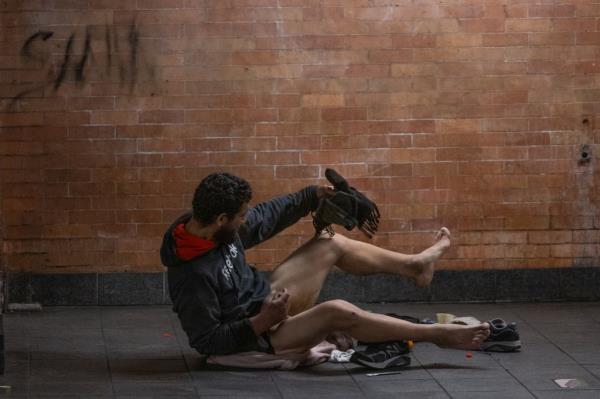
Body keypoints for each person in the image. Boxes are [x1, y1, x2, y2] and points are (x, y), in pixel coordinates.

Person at [160, 172, 490, 366]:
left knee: (328, 239)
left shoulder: (212, 229)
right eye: (240, 216)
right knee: (336, 311)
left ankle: (416, 265)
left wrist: (313, 196)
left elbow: (265, 217)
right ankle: (440, 336)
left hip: (267, 305)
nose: (246, 220)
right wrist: (263, 321)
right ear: (220, 220)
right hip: (258, 337)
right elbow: (206, 340)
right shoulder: (191, 276)